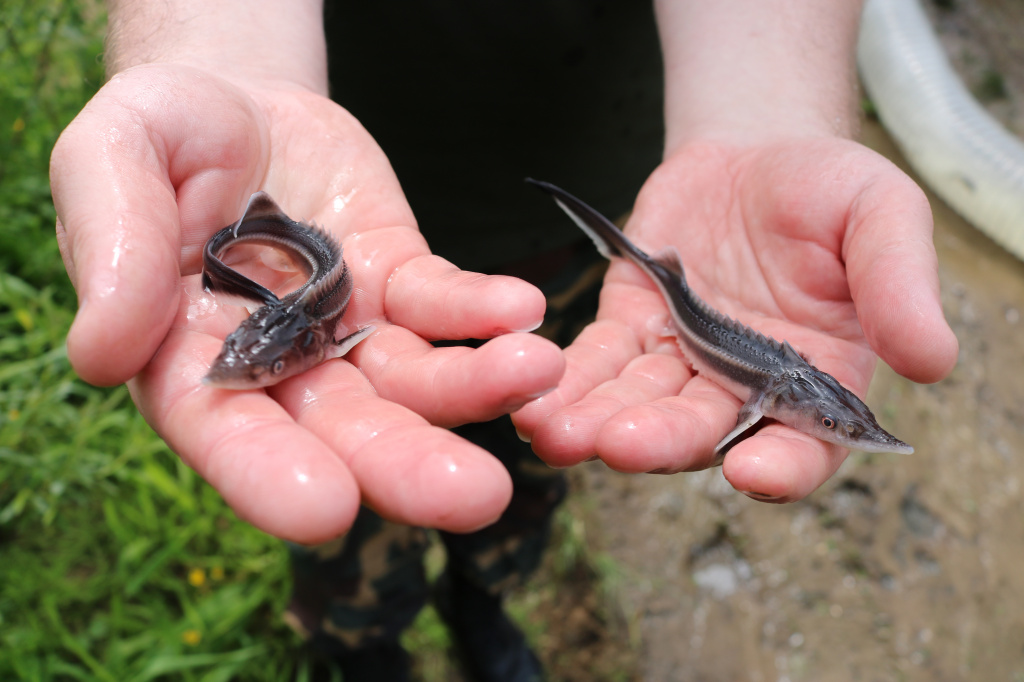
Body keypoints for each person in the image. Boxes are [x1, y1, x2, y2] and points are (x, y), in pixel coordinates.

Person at [50, 0, 959, 680]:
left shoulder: (750, 364)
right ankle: (365, 643)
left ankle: (484, 600)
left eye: (838, 423)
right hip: (352, 173)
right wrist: (219, 60)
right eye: (838, 422)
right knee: (352, 487)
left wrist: (768, 116)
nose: (837, 425)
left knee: (535, 433)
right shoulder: (318, 298)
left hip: (573, 248)